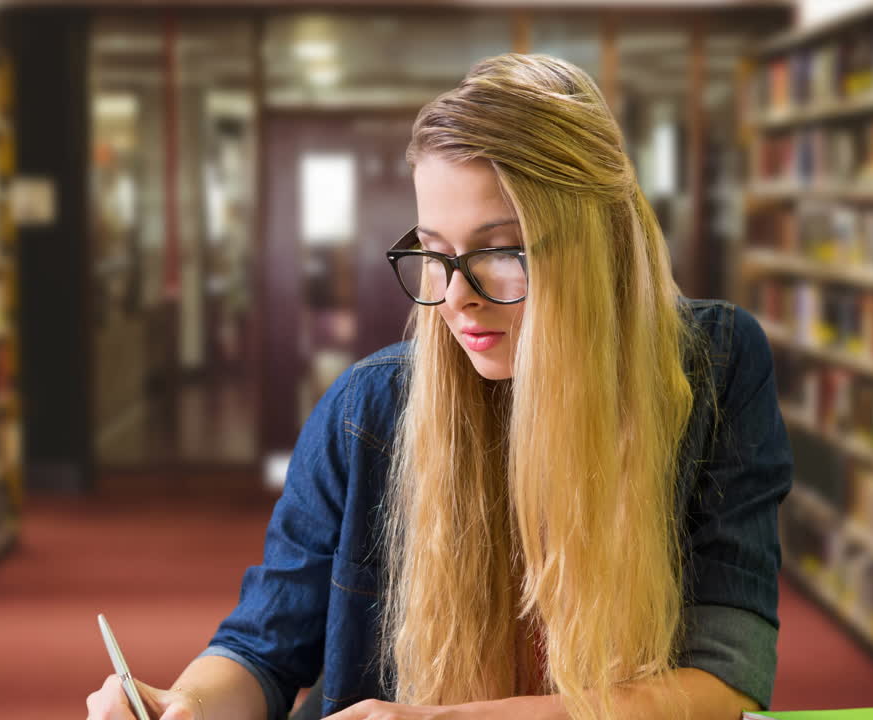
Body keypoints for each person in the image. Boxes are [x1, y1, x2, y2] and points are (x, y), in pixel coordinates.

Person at [86, 53, 792, 720]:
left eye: (502, 251)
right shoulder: (368, 411)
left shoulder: (714, 368)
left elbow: (724, 683)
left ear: (599, 244)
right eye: (435, 252)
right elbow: (261, 651)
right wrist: (189, 704)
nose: (457, 297)